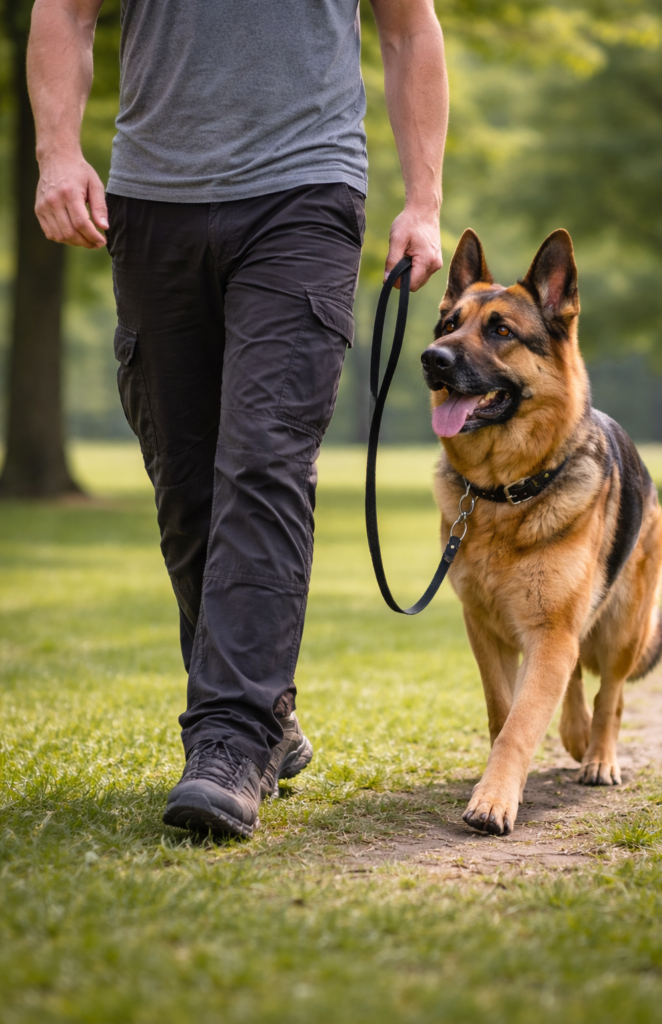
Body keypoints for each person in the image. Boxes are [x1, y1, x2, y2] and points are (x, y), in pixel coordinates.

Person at [27, 0, 448, 839]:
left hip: (306, 195)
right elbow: (64, 12)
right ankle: (266, 707)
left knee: (262, 462)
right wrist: (57, 152)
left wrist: (423, 200)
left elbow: (408, 30)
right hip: (151, 202)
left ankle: (230, 736)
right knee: (185, 488)